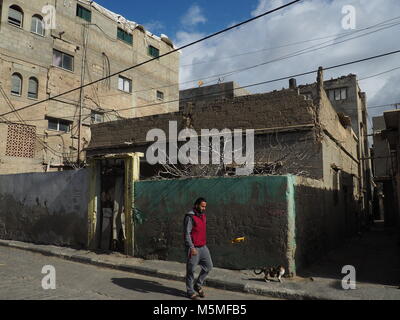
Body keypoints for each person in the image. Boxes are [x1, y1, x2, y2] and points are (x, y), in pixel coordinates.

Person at [183, 197, 213, 300]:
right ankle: (190, 291)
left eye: (205, 207)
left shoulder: (203, 216)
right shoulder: (190, 217)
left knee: (208, 266)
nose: (204, 208)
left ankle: (198, 284)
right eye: (202, 206)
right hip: (194, 248)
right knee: (191, 270)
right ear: (196, 205)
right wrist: (191, 247)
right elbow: (187, 233)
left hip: (203, 247)